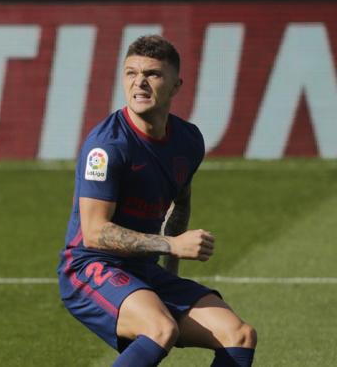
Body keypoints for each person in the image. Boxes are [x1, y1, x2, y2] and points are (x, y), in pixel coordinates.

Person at [58, 35, 257, 366]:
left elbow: (181, 202)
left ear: (176, 85)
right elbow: (94, 233)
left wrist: (172, 271)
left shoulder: (188, 140)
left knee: (239, 335)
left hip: (144, 269)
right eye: (131, 73)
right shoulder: (107, 147)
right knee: (160, 329)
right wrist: (171, 246)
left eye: (152, 74)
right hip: (91, 267)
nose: (139, 83)